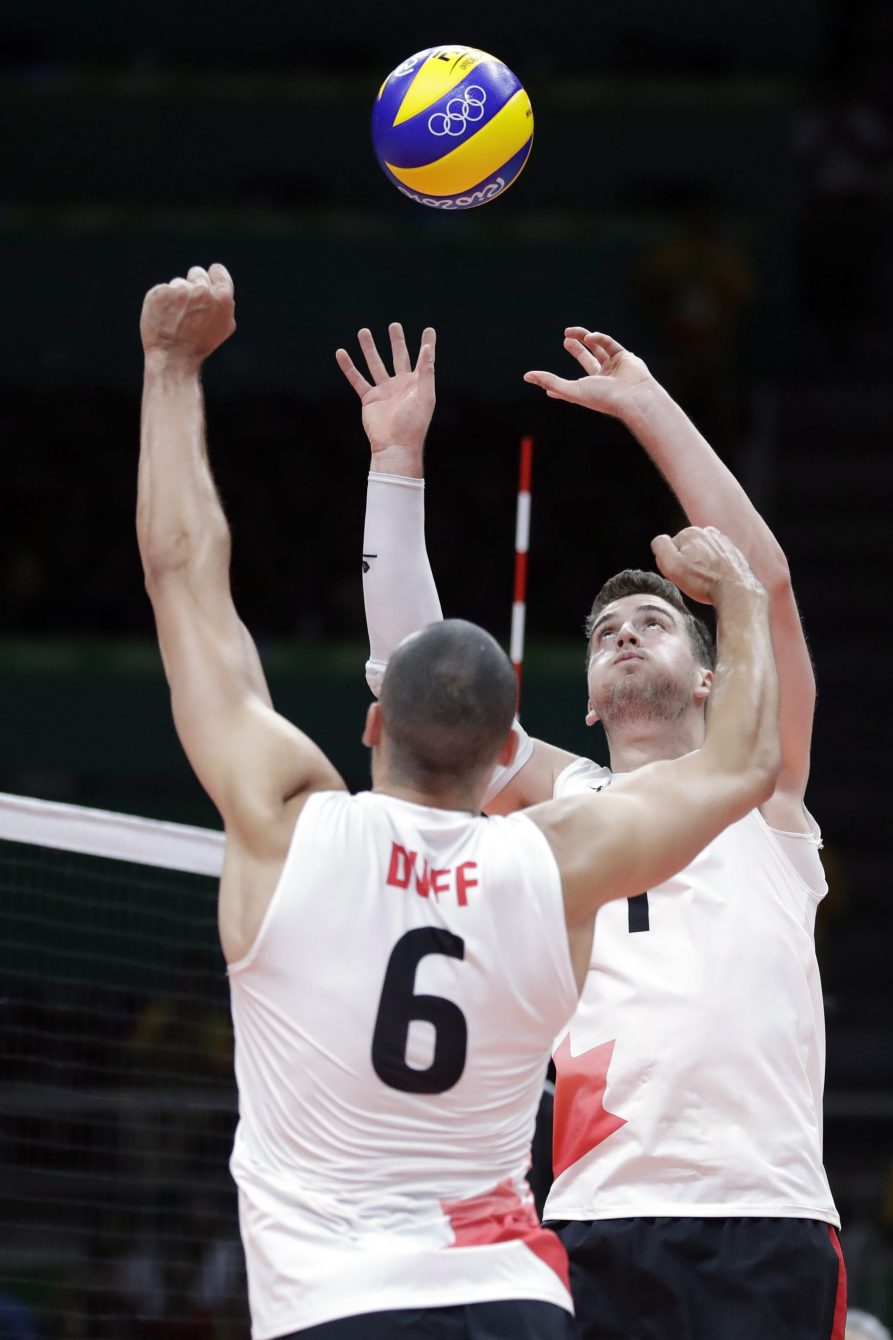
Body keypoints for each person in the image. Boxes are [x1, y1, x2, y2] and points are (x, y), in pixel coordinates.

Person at [137, 266, 779, 1340]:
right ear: (502, 764)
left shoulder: (289, 820)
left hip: (338, 1304)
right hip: (512, 1299)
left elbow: (182, 573)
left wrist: (170, 367)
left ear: (373, 724)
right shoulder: (558, 850)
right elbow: (741, 766)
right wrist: (745, 600)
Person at [340, 322, 845, 1340]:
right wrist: (393, 462)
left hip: (765, 1215)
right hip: (590, 1216)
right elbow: (419, 679)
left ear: (709, 676)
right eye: (605, 630)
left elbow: (767, 583)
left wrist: (646, 403)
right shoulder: (562, 802)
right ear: (582, 700)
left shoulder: (760, 783)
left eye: (651, 621)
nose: (622, 630)